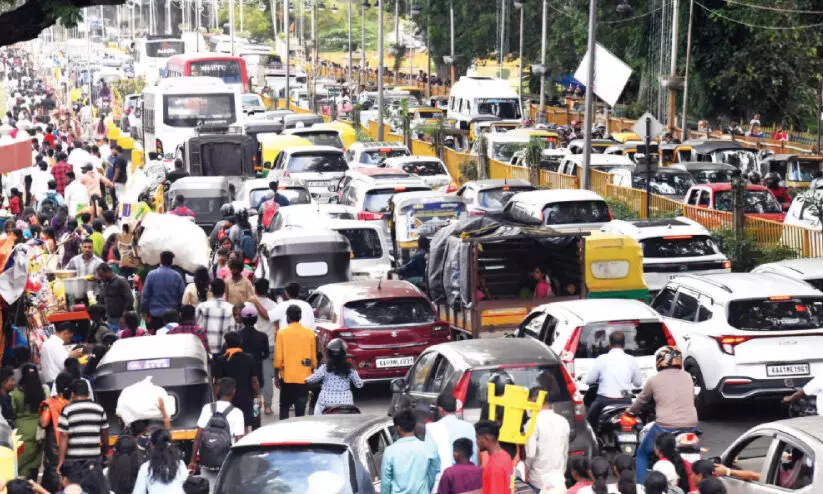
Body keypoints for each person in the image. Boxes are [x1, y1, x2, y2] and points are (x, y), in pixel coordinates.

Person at [628, 346, 698, 483]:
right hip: (691, 426)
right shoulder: (688, 377)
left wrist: (630, 411)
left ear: (660, 361)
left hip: (665, 427)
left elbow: (640, 401)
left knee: (642, 454)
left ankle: (641, 487)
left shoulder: (654, 380)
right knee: (696, 451)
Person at [189, 377, 245, 487]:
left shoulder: (207, 408)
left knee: (208, 488)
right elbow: (239, 441)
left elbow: (199, 436)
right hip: (226, 462)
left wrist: (193, 461)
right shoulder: (237, 413)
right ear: (234, 391)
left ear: (218, 390)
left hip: (207, 461)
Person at [584, 331, 642, 427]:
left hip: (604, 401)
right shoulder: (632, 360)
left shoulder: (601, 359)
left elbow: (589, 380)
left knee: (589, 425)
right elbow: (638, 383)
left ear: (610, 344)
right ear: (623, 344)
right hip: (625, 401)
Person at [424, 392, 478, 487]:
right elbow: (475, 457)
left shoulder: (431, 428)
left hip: (442, 483)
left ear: (440, 410)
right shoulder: (469, 427)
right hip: (468, 482)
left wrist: (429, 486)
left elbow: (431, 462)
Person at [524, 386, 570, 491]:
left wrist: (525, 472)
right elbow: (565, 451)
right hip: (558, 480)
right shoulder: (563, 421)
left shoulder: (532, 424)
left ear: (532, 401)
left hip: (538, 481)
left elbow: (530, 454)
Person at [274, 304, 316, 419]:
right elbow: (313, 359)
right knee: (301, 407)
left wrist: (276, 376)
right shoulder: (310, 333)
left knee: (284, 405)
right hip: (304, 376)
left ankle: (283, 431)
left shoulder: (282, 333)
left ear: (288, 317)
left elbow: (278, 358)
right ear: (300, 317)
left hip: (287, 376)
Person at [57, 379, 109, 471]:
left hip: (74, 460)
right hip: (94, 458)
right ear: (88, 393)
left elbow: (64, 436)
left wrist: (61, 461)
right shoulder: (99, 409)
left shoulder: (67, 410)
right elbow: (104, 433)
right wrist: (105, 453)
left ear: (72, 394)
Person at [381, 409, 436, 494]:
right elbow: (432, 476)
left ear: (398, 428)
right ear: (414, 426)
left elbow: (385, 483)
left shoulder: (389, 451)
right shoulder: (427, 448)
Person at [213, 332, 260, 429]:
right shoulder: (249, 358)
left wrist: (215, 398)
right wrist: (258, 395)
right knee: (244, 425)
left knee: (229, 424)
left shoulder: (221, 360)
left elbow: (217, 382)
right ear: (240, 343)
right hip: (246, 397)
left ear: (226, 344)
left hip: (227, 398)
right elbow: (254, 380)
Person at [305, 338, 363, 414]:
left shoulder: (324, 368)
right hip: (346, 403)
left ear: (328, 354)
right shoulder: (350, 369)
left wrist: (304, 378)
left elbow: (310, 380)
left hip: (326, 403)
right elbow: (359, 384)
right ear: (344, 353)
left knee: (318, 416)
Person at [39, 372, 73, 492]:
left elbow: (43, 423)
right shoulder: (73, 403)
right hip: (72, 443)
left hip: (55, 445)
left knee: (54, 472)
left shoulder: (51, 404)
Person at [11, 364, 45, 478]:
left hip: (21, 429)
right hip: (39, 429)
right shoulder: (43, 390)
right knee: (34, 461)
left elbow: (13, 410)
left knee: (20, 462)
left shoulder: (16, 392)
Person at [236, 304, 269, 425]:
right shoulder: (262, 336)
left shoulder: (237, 336)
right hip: (257, 373)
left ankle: (241, 425)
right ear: (256, 319)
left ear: (243, 319)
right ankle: (255, 425)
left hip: (240, 373)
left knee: (241, 401)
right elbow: (265, 354)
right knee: (255, 399)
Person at [132, 428, 188, 493]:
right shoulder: (180, 463)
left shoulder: (145, 467)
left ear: (152, 446)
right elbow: (184, 482)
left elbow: (138, 492)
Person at [141, 251, 186, 332]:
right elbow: (182, 296)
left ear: (160, 260)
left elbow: (145, 295)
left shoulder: (151, 275)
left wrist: (144, 311)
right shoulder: (177, 276)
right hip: (172, 317)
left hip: (155, 315)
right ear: (171, 262)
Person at [252, 279, 276, 415]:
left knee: (252, 376)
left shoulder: (248, 303)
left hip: (251, 345)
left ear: (255, 288)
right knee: (266, 377)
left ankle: (255, 405)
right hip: (270, 344)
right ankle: (267, 406)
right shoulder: (273, 305)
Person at [250, 281, 315, 331]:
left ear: (286, 293)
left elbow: (267, 316)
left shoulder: (283, 305)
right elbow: (312, 328)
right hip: (306, 342)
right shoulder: (308, 306)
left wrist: (256, 302)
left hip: (288, 342)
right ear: (298, 292)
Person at [196, 279, 237, 356]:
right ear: (224, 291)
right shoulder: (231, 309)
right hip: (225, 353)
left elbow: (196, 328)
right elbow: (233, 331)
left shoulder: (202, 307)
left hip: (205, 351)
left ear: (211, 290)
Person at [475, 419, 513, 494]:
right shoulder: (506, 456)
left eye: (477, 438)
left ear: (486, 439)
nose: (476, 442)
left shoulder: (494, 466)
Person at [96, 263, 133, 333]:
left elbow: (129, 299)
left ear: (108, 272)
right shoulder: (104, 283)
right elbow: (103, 299)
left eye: (101, 275)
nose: (100, 278)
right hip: (110, 319)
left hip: (121, 319)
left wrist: (123, 317)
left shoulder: (120, 281)